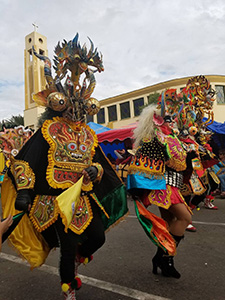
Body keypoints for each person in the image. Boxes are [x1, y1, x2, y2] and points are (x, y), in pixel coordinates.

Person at [1, 34, 127, 300]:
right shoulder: (49, 129)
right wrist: (25, 190)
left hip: (81, 198)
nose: (77, 113)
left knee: (97, 239)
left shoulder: (88, 134)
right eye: (73, 106)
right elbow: (25, 160)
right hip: (54, 200)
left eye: (83, 108)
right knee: (68, 245)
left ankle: (77, 261)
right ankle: (68, 288)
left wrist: (96, 171)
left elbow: (99, 162)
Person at [127, 102, 192, 279]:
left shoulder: (174, 137)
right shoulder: (154, 138)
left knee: (170, 223)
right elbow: (141, 161)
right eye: (167, 119)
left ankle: (160, 258)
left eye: (172, 119)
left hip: (174, 185)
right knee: (185, 217)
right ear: (157, 120)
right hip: (162, 186)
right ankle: (166, 259)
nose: (171, 122)